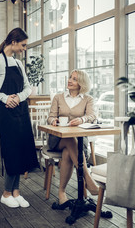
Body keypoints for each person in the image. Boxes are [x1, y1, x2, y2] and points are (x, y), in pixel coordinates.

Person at [0, 27, 39, 208]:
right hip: (6, 113)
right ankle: (6, 193)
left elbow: (28, 88)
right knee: (12, 150)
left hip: (21, 110)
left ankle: (16, 192)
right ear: (13, 42)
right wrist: (5, 98)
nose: (24, 48)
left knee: (22, 149)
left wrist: (18, 98)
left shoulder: (18, 63)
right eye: (23, 45)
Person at [47, 69, 99, 207]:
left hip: (79, 140)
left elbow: (92, 116)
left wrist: (82, 120)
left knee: (68, 152)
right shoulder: (58, 97)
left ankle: (61, 193)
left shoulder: (88, 99)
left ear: (81, 83)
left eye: (74, 79)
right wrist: (53, 121)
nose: (70, 80)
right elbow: (51, 116)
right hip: (57, 139)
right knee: (70, 140)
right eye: (70, 77)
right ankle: (88, 179)